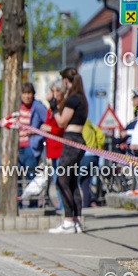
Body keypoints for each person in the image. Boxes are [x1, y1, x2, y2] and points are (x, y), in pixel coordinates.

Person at [49, 67, 88, 233]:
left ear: (66, 81)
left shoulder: (73, 99)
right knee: (72, 181)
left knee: (62, 180)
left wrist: (53, 108)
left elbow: (62, 122)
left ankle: (68, 220)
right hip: (79, 141)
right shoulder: (82, 98)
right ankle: (76, 220)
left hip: (71, 140)